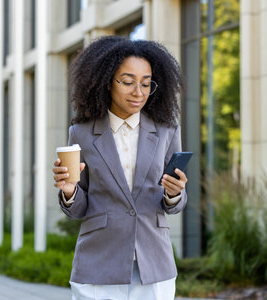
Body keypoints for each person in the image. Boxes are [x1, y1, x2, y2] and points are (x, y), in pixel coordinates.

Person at [52, 35, 188, 300]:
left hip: (154, 264)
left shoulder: (167, 131)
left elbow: (174, 203)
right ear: (107, 82)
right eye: (128, 82)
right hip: (98, 262)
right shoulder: (81, 133)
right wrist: (70, 191)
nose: (138, 92)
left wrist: (175, 193)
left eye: (146, 84)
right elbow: (79, 209)